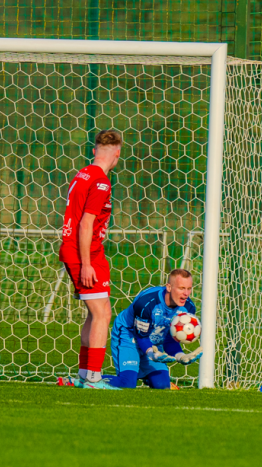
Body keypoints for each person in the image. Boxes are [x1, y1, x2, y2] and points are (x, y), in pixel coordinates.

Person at [61, 269, 202, 389]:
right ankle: (84, 380)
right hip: (129, 335)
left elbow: (169, 340)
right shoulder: (147, 303)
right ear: (169, 287)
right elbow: (141, 336)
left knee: (162, 385)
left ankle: (148, 376)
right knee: (127, 383)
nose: (186, 293)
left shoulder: (188, 308)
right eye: (181, 288)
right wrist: (151, 354)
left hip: (153, 338)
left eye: (189, 288)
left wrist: (180, 355)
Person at [58, 129, 122, 389]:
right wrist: (86, 264)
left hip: (78, 249)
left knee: (97, 313)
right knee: (101, 314)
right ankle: (93, 378)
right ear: (117, 154)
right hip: (85, 252)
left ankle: (85, 375)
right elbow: (86, 223)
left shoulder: (83, 173)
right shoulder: (101, 182)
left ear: (94, 151)